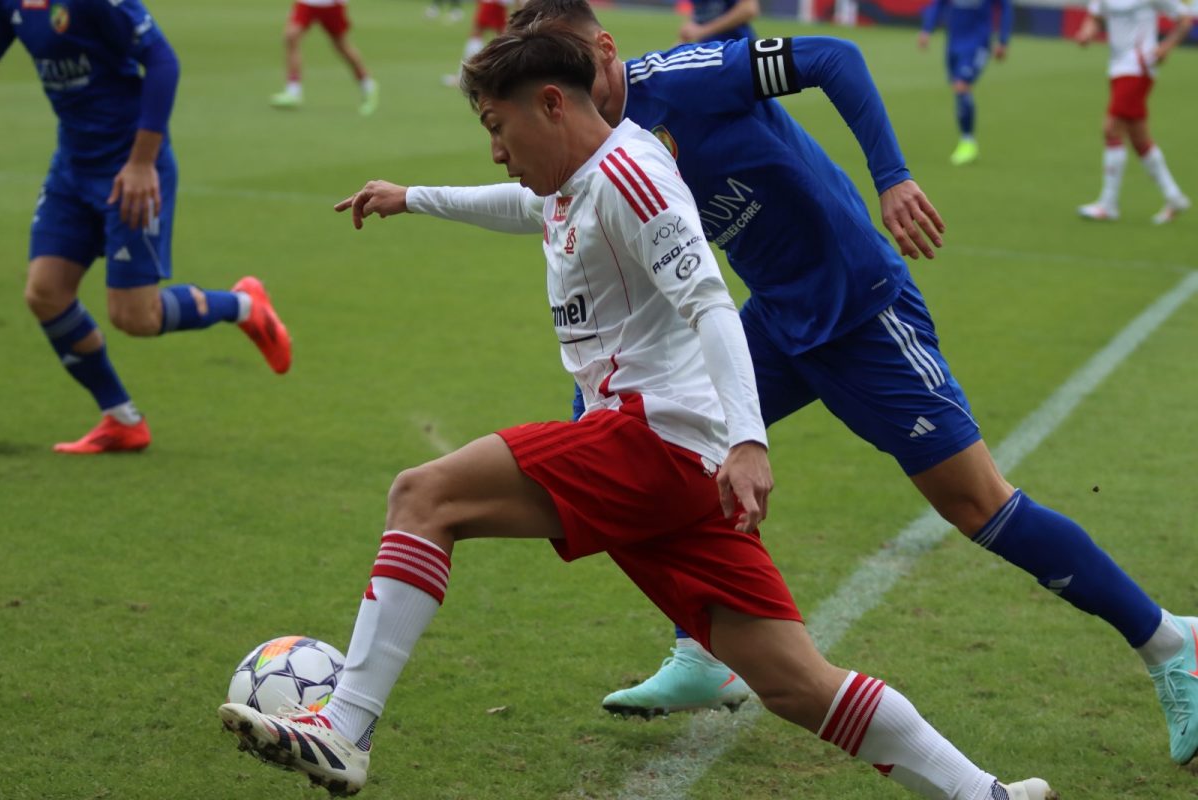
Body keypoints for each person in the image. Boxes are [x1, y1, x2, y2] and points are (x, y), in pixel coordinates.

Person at [218, 25, 1058, 800]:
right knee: (796, 681)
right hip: (677, 469)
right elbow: (530, 208)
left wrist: (749, 441)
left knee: (423, 496)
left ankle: (345, 726)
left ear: (552, 103)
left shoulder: (634, 176)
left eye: (497, 125)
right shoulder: (580, 178)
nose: (496, 148)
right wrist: (416, 196)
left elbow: (711, 305)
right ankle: (983, 793)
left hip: (651, 440)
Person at [421, 0, 1198, 767]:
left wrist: (891, 179)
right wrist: (416, 196)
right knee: (627, 433)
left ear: (602, 51)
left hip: (859, 311)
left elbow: (837, 58)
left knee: (976, 504)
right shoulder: (592, 143)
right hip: (778, 320)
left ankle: (1169, 643)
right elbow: (547, 206)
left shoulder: (690, 77)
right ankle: (703, 649)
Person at [0, 0, 292, 454]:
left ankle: (243, 305)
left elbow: (162, 59)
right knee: (45, 292)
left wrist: (141, 162)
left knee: (136, 317)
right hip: (71, 168)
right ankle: (121, 418)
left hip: (130, 170)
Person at [1074, 0, 1192, 224]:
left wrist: (1165, 47)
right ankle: (1173, 196)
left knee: (1111, 128)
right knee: (1139, 139)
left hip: (1139, 66)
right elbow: (1095, 17)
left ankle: (1108, 204)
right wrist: (1086, 33)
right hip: (1117, 67)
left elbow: (1184, 20)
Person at [917, 0, 1012, 166]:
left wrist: (1003, 40)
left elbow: (1005, 7)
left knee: (962, 85)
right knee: (958, 88)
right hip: (953, 44)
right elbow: (938, 4)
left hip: (978, 43)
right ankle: (967, 141)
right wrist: (927, 29)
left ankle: (968, 142)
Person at [270, 0, 380, 116]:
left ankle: (368, 86)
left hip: (331, 4)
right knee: (291, 37)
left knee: (342, 46)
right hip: (307, 3)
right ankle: (293, 92)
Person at [441, 0, 514, 86]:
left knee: (478, 33)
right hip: (497, 4)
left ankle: (465, 76)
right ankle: (506, 74)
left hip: (493, 3)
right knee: (502, 35)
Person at [682, 0, 758, 43]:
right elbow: (701, 14)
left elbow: (748, 9)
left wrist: (703, 30)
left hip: (736, 47)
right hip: (708, 50)